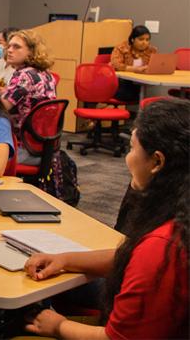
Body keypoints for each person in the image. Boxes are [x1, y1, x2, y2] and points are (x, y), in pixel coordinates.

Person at [24, 98, 189, 339]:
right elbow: (134, 256)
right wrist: (65, 259)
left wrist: (58, 326)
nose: (127, 159)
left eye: (132, 148)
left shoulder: (163, 245)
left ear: (157, 162)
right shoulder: (174, 218)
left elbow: (120, 337)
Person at [1, 29, 56, 165]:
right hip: (44, 146)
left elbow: (1, 107)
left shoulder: (23, 76)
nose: (9, 50)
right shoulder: (46, 74)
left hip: (24, 149)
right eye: (9, 46)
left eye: (16, 47)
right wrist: (4, 91)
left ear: (31, 52)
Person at [111, 25, 158, 101]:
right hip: (121, 82)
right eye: (141, 39)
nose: (144, 43)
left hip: (142, 82)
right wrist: (136, 69)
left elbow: (154, 65)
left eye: (147, 40)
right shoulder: (121, 48)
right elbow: (116, 65)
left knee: (150, 95)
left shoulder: (152, 50)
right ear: (132, 39)